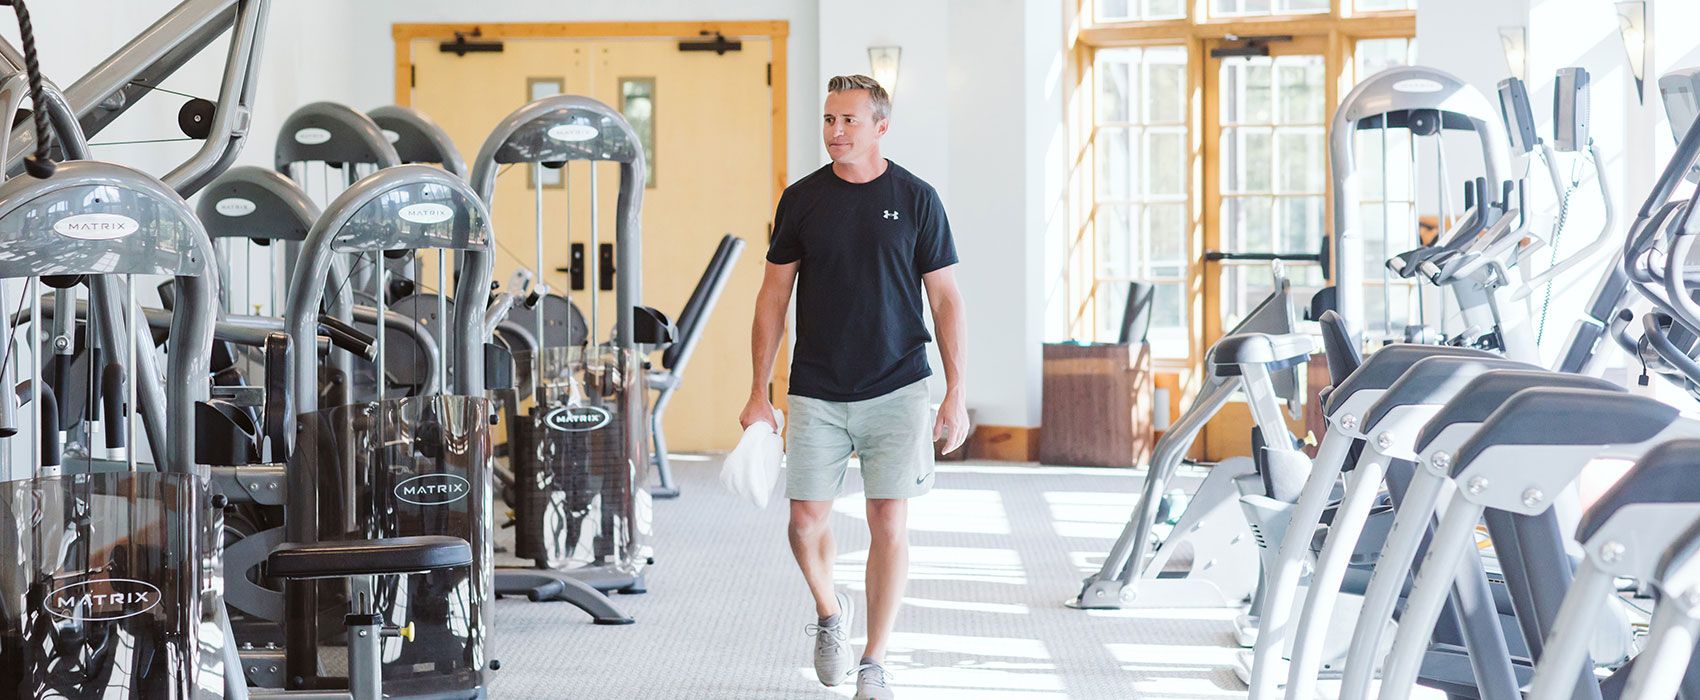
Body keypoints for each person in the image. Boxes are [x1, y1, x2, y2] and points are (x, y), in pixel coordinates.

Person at [740, 74, 968, 700]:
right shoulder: (802, 199)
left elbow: (945, 298)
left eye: (848, 121)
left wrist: (955, 391)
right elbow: (772, 296)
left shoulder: (917, 198)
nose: (835, 131)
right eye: (829, 119)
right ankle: (829, 613)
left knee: (888, 520)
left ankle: (875, 660)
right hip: (817, 386)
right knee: (804, 521)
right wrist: (759, 391)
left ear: (881, 127)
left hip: (899, 384)